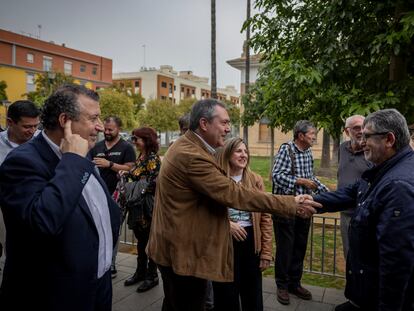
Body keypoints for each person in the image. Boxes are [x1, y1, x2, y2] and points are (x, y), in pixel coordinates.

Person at [146, 99, 321, 311]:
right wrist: (290, 202)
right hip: (183, 256)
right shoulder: (191, 155)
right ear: (204, 123)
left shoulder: (189, 146)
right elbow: (234, 194)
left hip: (175, 249)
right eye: (225, 122)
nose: (228, 128)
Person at [0, 84, 120, 311]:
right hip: (55, 295)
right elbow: (42, 221)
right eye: (93, 118)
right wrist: (72, 160)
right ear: (65, 120)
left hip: (98, 284)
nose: (100, 127)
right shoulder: (22, 162)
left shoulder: (84, 151)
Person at [314, 109, 414, 311]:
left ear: (389, 139)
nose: (361, 142)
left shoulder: (398, 185)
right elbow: (352, 191)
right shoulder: (385, 168)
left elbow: (395, 264)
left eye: (367, 136)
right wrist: (312, 201)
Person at [272, 120, 329, 305]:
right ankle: (282, 285)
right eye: (312, 133)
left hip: (304, 210)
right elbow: (277, 176)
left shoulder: (308, 152)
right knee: (285, 249)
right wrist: (301, 182)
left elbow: (311, 178)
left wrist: (329, 194)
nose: (315, 136)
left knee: (299, 248)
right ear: (301, 135)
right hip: (286, 209)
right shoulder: (286, 150)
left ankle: (294, 284)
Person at [213, 137, 273, 311]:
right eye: (239, 151)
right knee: (225, 296)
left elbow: (265, 218)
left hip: (251, 243)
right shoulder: (217, 179)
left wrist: (266, 253)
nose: (244, 155)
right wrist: (227, 225)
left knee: (252, 297)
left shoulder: (255, 180)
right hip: (224, 244)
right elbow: (206, 213)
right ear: (228, 153)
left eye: (246, 151)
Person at [89, 115, 136, 277]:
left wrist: (110, 165)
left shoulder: (126, 147)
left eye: (111, 129)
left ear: (119, 129)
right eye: (106, 129)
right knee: (96, 229)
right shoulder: (97, 146)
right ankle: (98, 261)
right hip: (97, 195)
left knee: (113, 230)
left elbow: (130, 168)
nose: (107, 132)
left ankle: (111, 263)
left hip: (116, 196)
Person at [0, 100, 40, 272]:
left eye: (35, 126)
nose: (32, 131)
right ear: (10, 122)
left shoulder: (40, 142)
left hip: (31, 208)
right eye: (27, 126)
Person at [122, 127, 161, 293]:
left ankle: (152, 276)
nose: (134, 142)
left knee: (148, 241)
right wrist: (129, 174)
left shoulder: (152, 158)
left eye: (136, 138)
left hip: (147, 207)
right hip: (137, 205)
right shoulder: (142, 156)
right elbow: (139, 176)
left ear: (146, 140)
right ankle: (140, 272)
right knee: (140, 240)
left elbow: (154, 183)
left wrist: (137, 187)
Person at [337, 115, 372, 260]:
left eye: (364, 127)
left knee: (364, 254)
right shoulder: (342, 148)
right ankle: (350, 282)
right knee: (348, 252)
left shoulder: (370, 151)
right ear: (347, 131)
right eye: (357, 128)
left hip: (364, 212)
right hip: (345, 211)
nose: (361, 131)